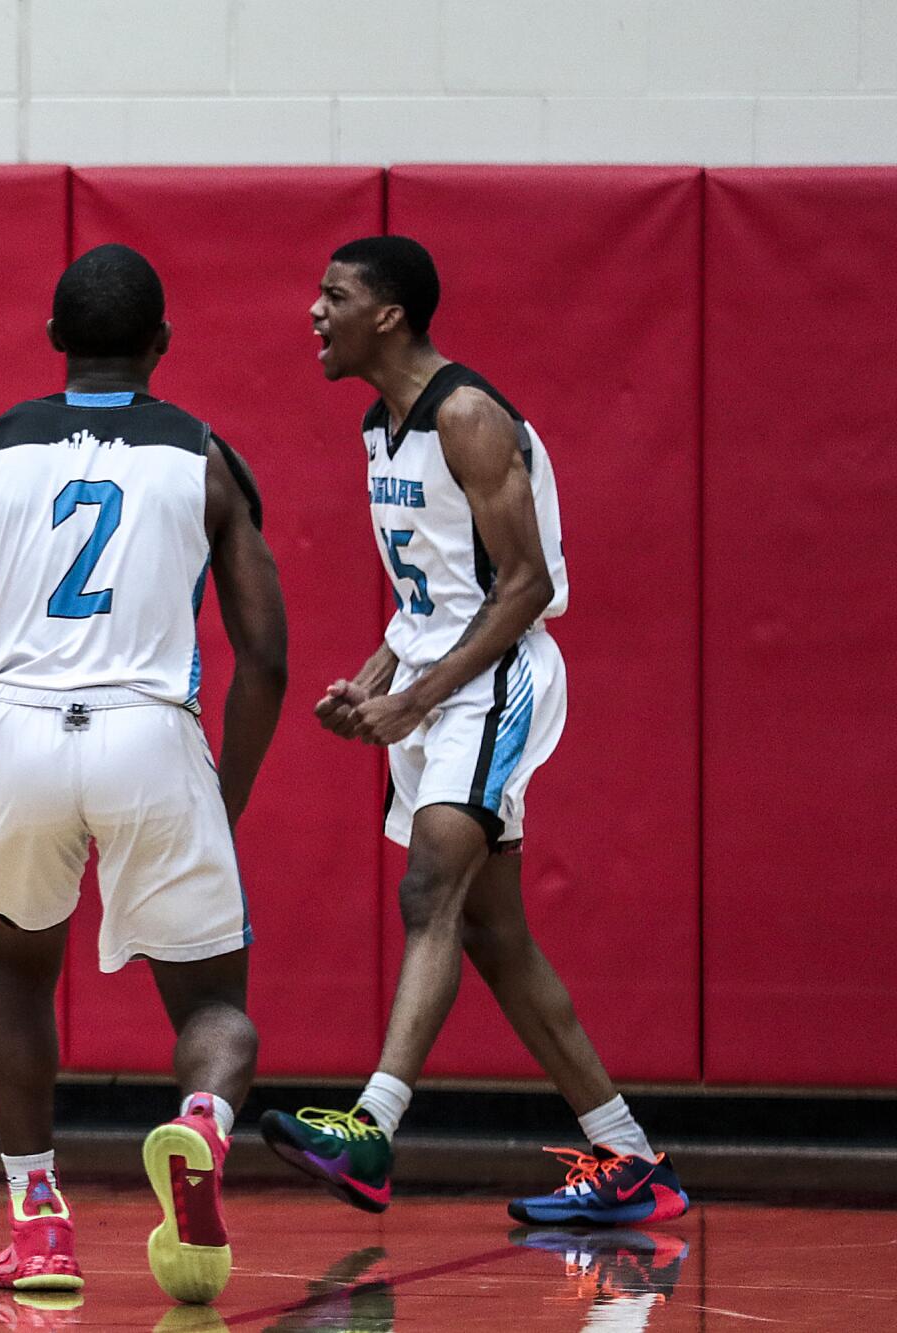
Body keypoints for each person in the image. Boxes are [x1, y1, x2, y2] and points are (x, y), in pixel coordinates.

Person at [0, 244, 288, 1303]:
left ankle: (38, 1227)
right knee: (212, 1005)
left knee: (18, 975)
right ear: (160, 346)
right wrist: (226, 787)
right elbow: (268, 655)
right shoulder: (205, 458)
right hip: (150, 734)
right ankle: (199, 1123)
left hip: (16, 730)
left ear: (54, 343)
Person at [260, 236, 689, 1228]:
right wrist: (373, 679)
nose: (313, 313)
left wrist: (416, 698)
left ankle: (370, 1131)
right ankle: (628, 1160)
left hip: (496, 680)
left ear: (388, 314)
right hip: (437, 680)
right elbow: (432, 597)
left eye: (332, 295)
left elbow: (525, 588)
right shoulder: (379, 427)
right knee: (491, 933)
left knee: (427, 886)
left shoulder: (466, 415)